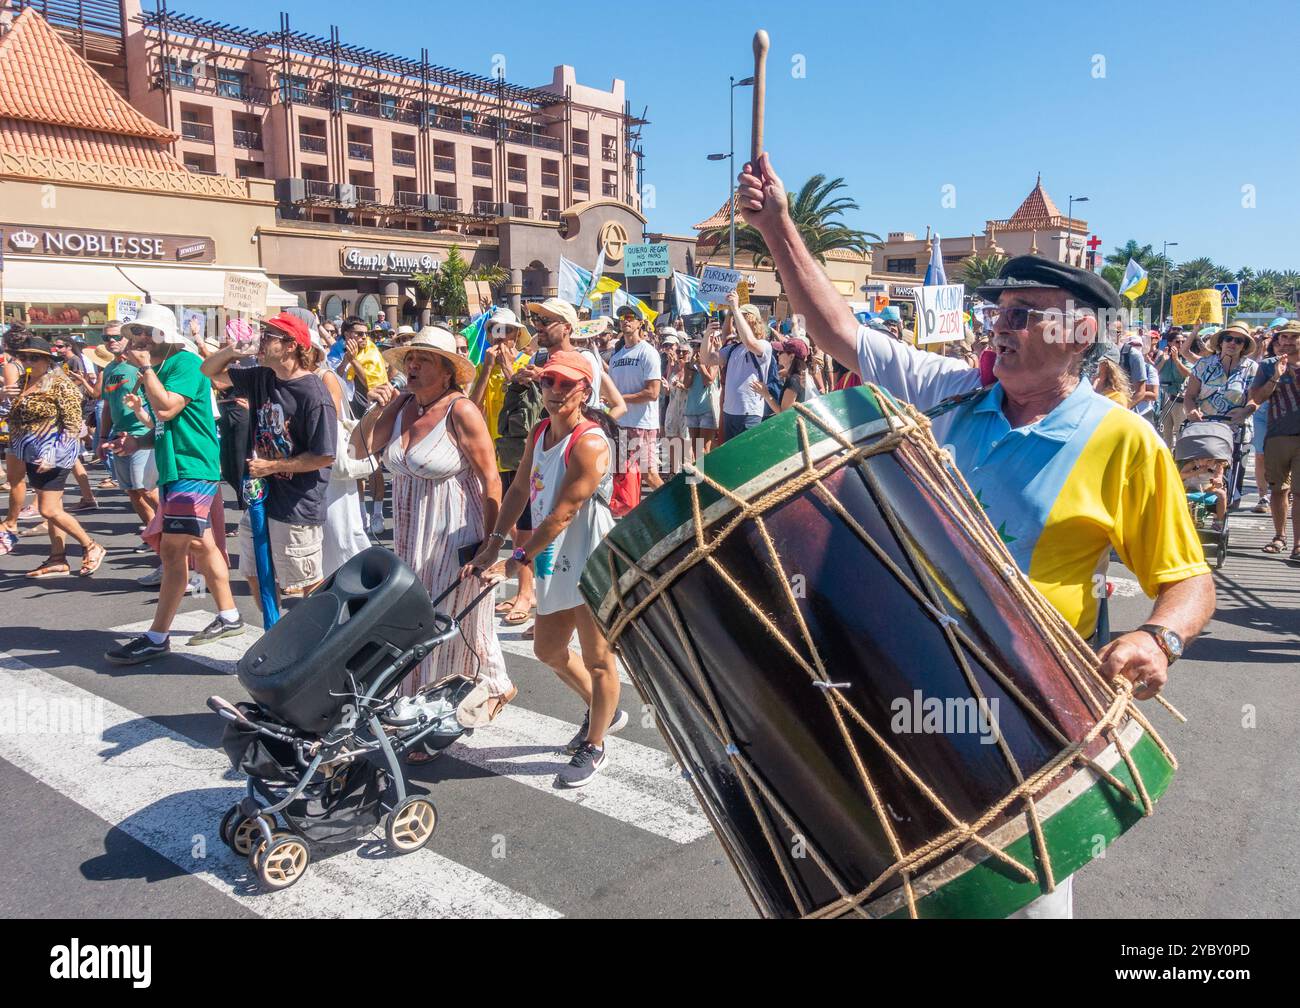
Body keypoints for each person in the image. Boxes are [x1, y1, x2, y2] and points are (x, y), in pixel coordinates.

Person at [737, 152, 1215, 919]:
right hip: (902, 683)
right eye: (1000, 311)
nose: (1002, 325)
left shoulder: (1124, 441)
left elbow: (1189, 581)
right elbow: (836, 329)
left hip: (1034, 717)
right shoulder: (953, 392)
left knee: (1022, 905)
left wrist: (1160, 639)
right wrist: (778, 226)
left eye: (1024, 314)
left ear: (1080, 331)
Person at [466, 350, 625, 788]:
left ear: (585, 390)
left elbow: (562, 514)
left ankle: (595, 744)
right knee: (548, 650)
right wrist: (495, 541)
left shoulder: (590, 443)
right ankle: (603, 709)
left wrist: (516, 559)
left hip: (591, 559)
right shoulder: (540, 431)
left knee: (597, 658)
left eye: (565, 384)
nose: (554, 391)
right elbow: (519, 489)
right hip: (555, 557)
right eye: (548, 382)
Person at [353, 327, 514, 746]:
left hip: (454, 528)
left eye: (424, 360)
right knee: (417, 615)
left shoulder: (460, 411)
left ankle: (453, 701)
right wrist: (377, 408)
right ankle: (423, 697)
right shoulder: (403, 404)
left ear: (447, 373)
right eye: (410, 358)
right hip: (409, 532)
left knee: (450, 619)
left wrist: (492, 544)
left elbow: (492, 480)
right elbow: (359, 449)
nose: (413, 366)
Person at [104, 305, 241, 663]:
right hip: (177, 470)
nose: (139, 340)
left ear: (164, 334)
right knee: (201, 545)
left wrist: (146, 369)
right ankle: (230, 616)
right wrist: (138, 441)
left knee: (172, 552)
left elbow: (166, 409)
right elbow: (164, 426)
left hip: (192, 469)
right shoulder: (163, 368)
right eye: (135, 333)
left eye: (146, 333)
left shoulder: (184, 364)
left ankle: (157, 635)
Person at [201, 312, 337, 609]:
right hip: (260, 498)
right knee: (255, 572)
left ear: (290, 345)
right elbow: (208, 371)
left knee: (305, 580)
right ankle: (275, 635)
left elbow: (324, 455)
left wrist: (273, 466)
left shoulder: (313, 394)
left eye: (268, 336)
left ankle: (316, 641)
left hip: (296, 504)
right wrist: (232, 350)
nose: (260, 341)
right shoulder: (262, 376)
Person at [5, 336, 106, 578]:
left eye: (34, 357)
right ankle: (58, 558)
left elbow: (73, 425)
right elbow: (13, 416)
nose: (27, 361)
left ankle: (91, 546)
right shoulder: (24, 381)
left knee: (49, 510)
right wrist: (2, 395)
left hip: (53, 453)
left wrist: (52, 455)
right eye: (24, 357)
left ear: (47, 360)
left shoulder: (60, 383)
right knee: (53, 509)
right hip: (31, 453)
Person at [469, 309, 537, 625]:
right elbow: (473, 404)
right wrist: (486, 369)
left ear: (516, 335)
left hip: (518, 455)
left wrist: (510, 371)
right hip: (491, 454)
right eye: (496, 329)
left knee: (522, 528)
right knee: (507, 526)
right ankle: (525, 587)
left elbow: (531, 404)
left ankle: (526, 592)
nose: (501, 336)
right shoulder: (484, 366)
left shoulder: (526, 367)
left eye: (508, 330)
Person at [96, 320, 159, 535]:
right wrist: (102, 437)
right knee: (132, 491)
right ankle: (154, 533)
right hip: (118, 435)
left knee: (147, 490)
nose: (111, 341)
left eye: (116, 337)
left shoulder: (140, 364)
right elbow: (107, 407)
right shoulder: (110, 368)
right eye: (106, 338)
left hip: (142, 433)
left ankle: (176, 528)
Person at [1250, 321, 1300, 560]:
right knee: (1279, 490)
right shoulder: (1268, 366)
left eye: (1294, 337)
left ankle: (1298, 544)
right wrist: (1276, 378)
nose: (1288, 342)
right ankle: (1280, 536)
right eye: (1284, 338)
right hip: (1277, 435)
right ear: (1277, 341)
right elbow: (1256, 398)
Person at [336, 317, 389, 535]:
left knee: (374, 465)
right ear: (346, 335)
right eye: (358, 333)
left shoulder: (371, 353)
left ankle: (377, 512)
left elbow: (372, 383)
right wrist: (345, 360)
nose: (363, 337)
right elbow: (335, 378)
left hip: (371, 415)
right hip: (348, 417)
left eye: (365, 333)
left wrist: (354, 360)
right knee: (355, 466)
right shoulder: (336, 351)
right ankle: (360, 513)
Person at [700, 291, 773, 442]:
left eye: (742, 318)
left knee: (746, 458)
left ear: (752, 321)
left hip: (749, 413)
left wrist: (734, 308)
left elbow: (750, 343)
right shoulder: (734, 348)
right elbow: (706, 359)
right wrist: (707, 335)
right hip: (729, 412)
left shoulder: (764, 346)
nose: (737, 323)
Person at [608, 303, 664, 490]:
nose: (625, 321)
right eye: (622, 318)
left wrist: (620, 398)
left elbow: (653, 392)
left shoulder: (648, 352)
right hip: (620, 424)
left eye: (630, 317)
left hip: (642, 424)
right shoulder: (615, 358)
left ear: (640, 323)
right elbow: (613, 389)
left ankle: (678, 511)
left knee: (649, 475)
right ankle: (633, 515)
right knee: (624, 476)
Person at [682, 333, 721, 457]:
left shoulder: (713, 360)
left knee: (703, 449)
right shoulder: (689, 364)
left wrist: (701, 366)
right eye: (693, 345)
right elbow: (686, 384)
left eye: (699, 345)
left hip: (707, 409)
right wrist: (691, 368)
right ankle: (698, 474)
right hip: (692, 409)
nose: (696, 348)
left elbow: (708, 381)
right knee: (694, 449)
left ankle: (705, 474)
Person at [753, 336, 814, 414]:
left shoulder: (794, 380)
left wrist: (766, 394)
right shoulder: (800, 376)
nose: (777, 354)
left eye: (781, 352)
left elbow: (784, 413)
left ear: (791, 356)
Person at [1154, 329, 1193, 447]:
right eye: (1177, 342)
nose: (1180, 345)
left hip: (1178, 399)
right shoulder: (1162, 356)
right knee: (1164, 433)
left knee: (1180, 432)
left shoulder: (1186, 358)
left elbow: (1188, 374)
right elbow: (1153, 374)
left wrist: (1176, 360)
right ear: (1170, 343)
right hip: (1164, 399)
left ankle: (1179, 460)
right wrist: (1163, 360)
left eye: (1183, 342)